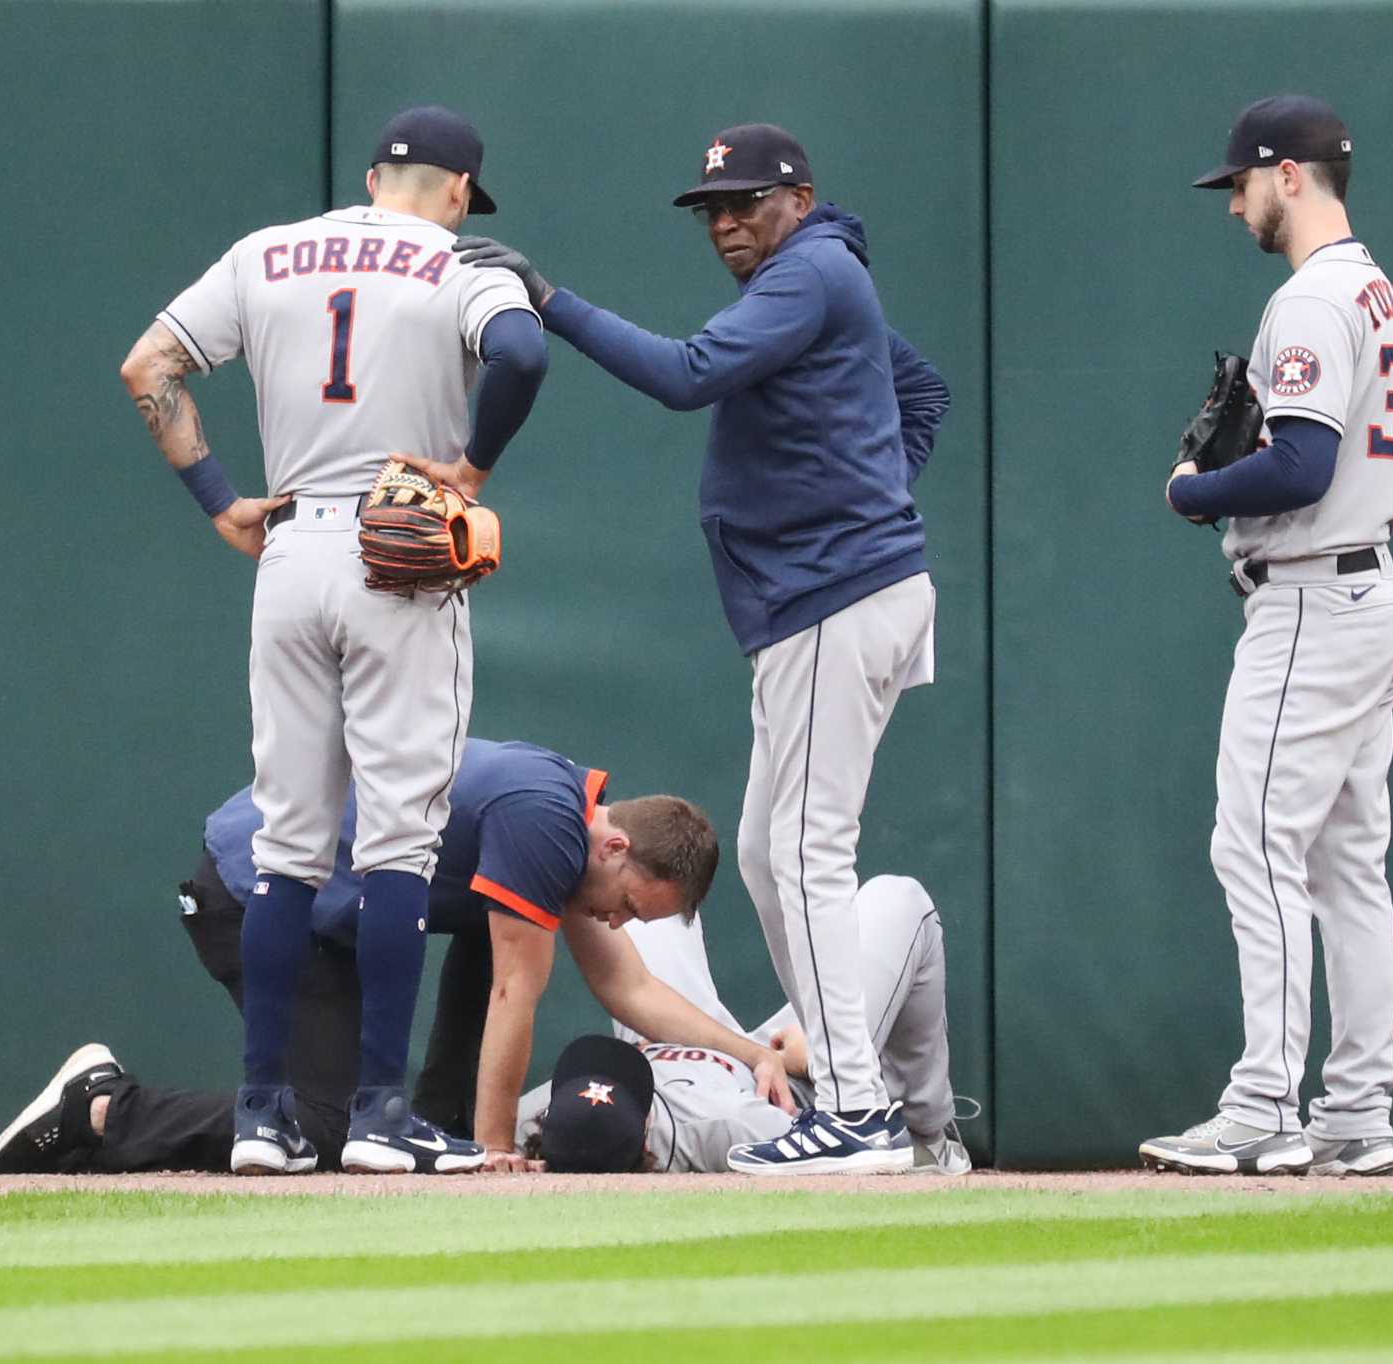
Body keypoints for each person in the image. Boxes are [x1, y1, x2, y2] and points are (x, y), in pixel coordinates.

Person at [455, 123, 949, 1172]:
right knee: (773, 853)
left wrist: (548, 300)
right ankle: (851, 1099)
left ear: (799, 198)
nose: (725, 220)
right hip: (822, 598)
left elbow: (685, 376)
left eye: (746, 201)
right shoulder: (814, 280)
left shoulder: (808, 271)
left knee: (807, 851)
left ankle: (859, 1112)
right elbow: (921, 391)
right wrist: (871, 492)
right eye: (710, 207)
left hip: (833, 595)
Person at [118, 105, 548, 1177]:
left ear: (370, 176)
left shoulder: (266, 251)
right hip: (398, 553)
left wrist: (220, 497)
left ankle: (261, 1115)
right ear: (457, 189)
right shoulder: (456, 260)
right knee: (396, 838)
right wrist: (475, 464)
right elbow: (525, 352)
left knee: (286, 845)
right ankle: (377, 1112)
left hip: (293, 551)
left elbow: (147, 367)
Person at [0, 739, 793, 1175]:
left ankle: (432, 1132)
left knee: (493, 931)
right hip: (251, 894)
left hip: (316, 914)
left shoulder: (562, 820)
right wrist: (494, 1148)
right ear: (616, 846)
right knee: (331, 1125)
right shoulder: (547, 822)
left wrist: (751, 1050)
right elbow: (516, 993)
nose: (616, 922)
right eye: (626, 905)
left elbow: (630, 988)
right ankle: (101, 1106)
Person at [1145, 96, 1393, 1178]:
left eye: (1242, 185)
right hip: (1367, 594)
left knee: (1254, 844)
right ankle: (1356, 1108)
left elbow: (1299, 465)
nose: (1234, 206)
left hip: (1311, 597)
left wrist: (1191, 489)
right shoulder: (1378, 293)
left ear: (1288, 175)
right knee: (1347, 864)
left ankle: (1264, 1100)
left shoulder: (1310, 298)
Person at [517, 876, 969, 1175]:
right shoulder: (723, 1128)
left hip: (690, 1033)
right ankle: (930, 1134)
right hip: (785, 1067)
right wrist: (818, 1063)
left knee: (639, 890)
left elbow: (501, 1141)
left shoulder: (539, 1124)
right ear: (645, 1128)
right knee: (899, 900)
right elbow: (829, 1147)